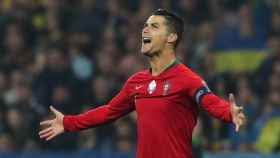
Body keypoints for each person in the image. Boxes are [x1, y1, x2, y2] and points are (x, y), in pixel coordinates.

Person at [39, 9, 245, 158]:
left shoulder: (187, 79)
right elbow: (108, 111)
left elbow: (207, 99)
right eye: (145, 25)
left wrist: (228, 113)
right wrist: (68, 123)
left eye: (154, 26)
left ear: (171, 37)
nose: (145, 30)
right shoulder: (136, 82)